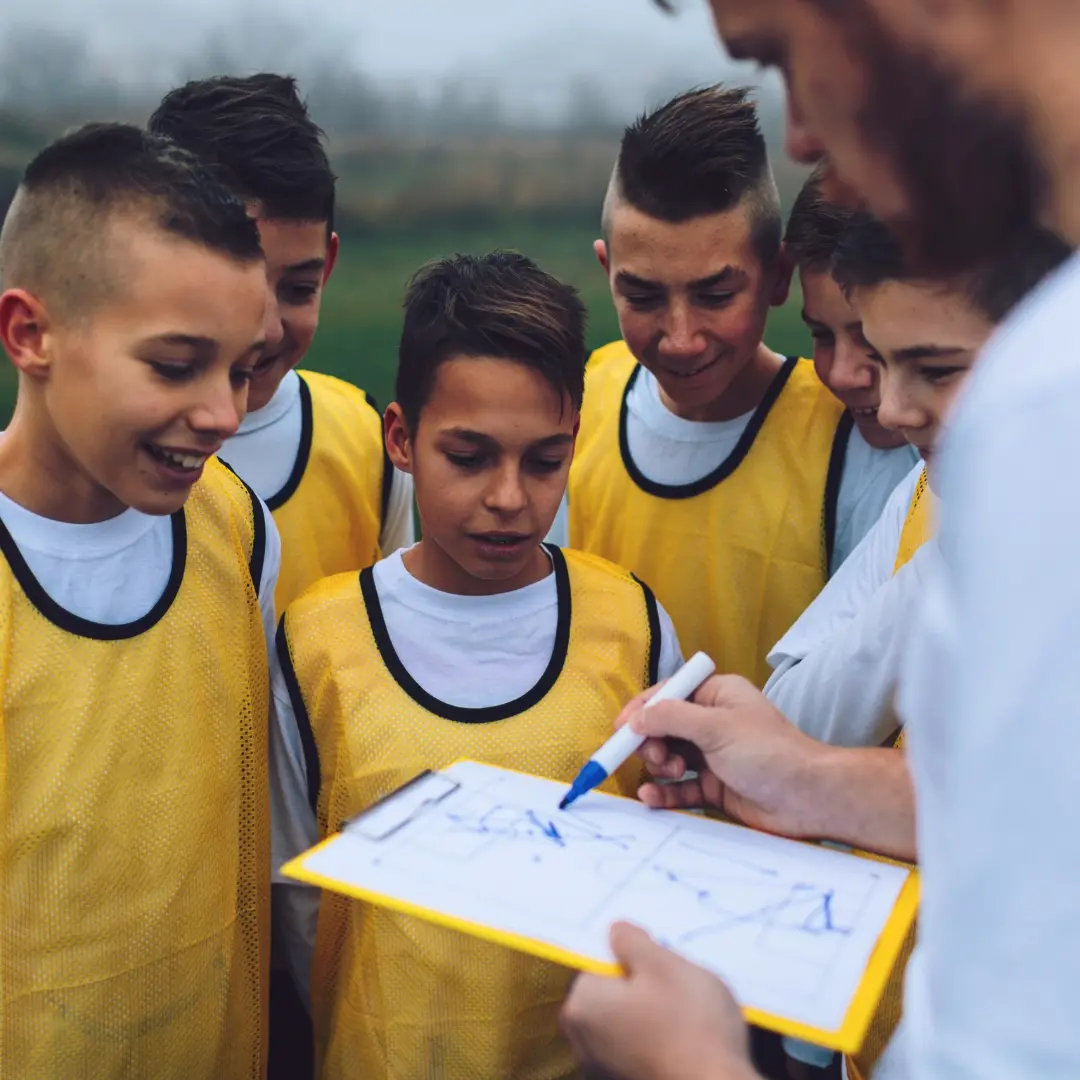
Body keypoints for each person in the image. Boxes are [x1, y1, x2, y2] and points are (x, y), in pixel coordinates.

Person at [563, 2, 1080, 1078]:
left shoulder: (1041, 406)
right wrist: (803, 772)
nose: (799, 136)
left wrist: (695, 1066)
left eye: (783, 52)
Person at [271, 251, 684, 1079]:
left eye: (544, 460)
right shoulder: (318, 642)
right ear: (402, 439)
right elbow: (298, 905)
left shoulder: (631, 626)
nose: (509, 496)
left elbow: (670, 878)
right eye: (469, 456)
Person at [0, 123, 280, 1078]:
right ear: (30, 334)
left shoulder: (231, 525)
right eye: (174, 365)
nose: (223, 414)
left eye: (243, 369)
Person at [562, 86, 915, 689]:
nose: (680, 338)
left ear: (779, 276)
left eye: (715, 296)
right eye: (643, 295)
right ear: (607, 272)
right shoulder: (579, 400)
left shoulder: (857, 441)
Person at [767, 213, 1070, 747]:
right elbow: (789, 720)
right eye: (884, 362)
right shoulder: (930, 495)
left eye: (937, 370)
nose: (891, 410)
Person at [150, 74, 415, 615]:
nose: (268, 329)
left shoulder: (368, 446)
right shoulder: (102, 454)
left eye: (298, 288)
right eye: (237, 284)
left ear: (330, 264)